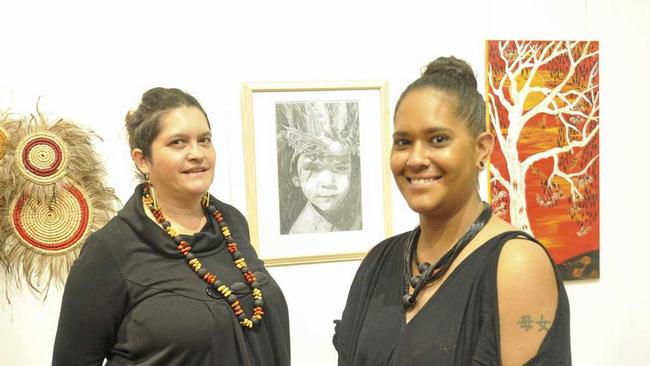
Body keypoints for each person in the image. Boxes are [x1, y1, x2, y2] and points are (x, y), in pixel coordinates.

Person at [333, 57, 571, 365]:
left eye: (438, 140)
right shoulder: (378, 262)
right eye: (403, 142)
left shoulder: (516, 265)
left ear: (481, 149)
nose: (416, 159)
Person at [52, 87, 290, 366]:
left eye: (204, 140)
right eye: (178, 143)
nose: (196, 153)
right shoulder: (111, 249)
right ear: (142, 160)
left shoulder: (231, 223)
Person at [276, 101, 362, 234]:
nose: (328, 183)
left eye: (340, 168)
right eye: (313, 168)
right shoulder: (301, 232)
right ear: (295, 177)